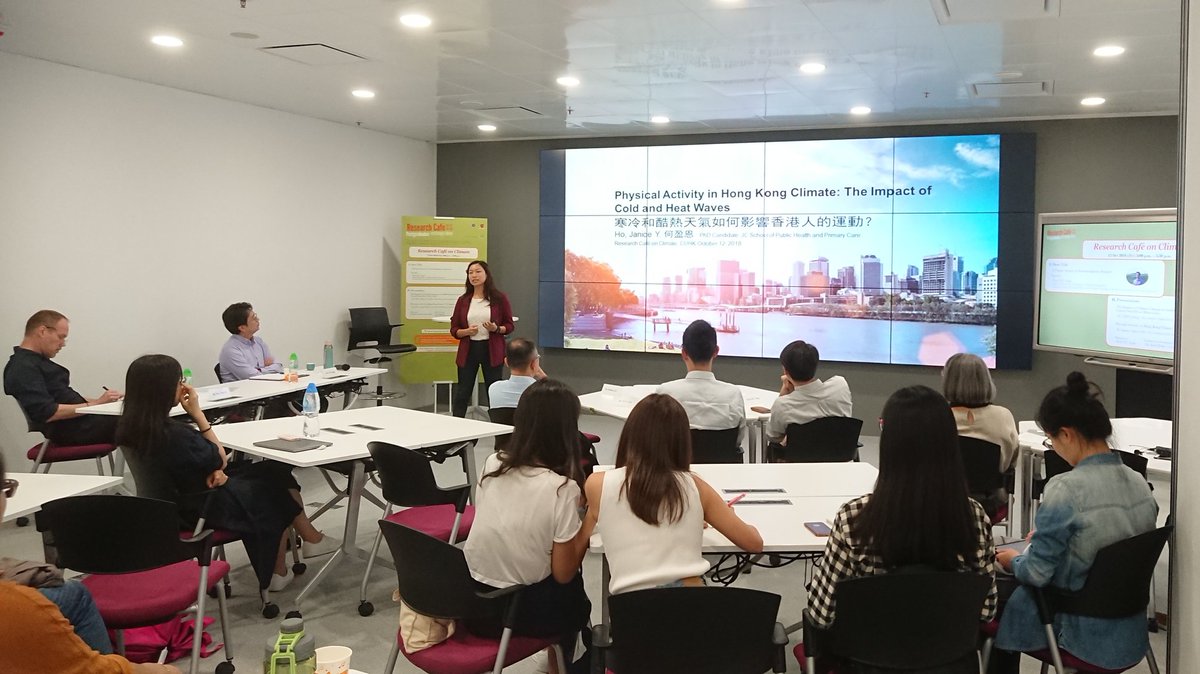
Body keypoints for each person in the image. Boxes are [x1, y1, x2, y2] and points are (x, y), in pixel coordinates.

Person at [117, 354, 339, 593]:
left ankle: (310, 539)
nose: (182, 386)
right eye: (179, 381)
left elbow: (198, 465)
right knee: (272, 490)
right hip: (199, 507)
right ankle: (278, 571)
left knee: (273, 470)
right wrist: (198, 414)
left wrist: (214, 470)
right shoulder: (175, 435)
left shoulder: (130, 429)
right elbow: (220, 457)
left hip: (172, 503)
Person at [992, 373, 1157, 672]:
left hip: (1078, 631)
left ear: (1066, 434)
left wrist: (1014, 560)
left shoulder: (1065, 489)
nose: (1053, 447)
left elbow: (1037, 573)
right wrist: (1049, 539)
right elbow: (1108, 547)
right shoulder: (1140, 485)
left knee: (992, 602)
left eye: (1051, 440)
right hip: (1130, 633)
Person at [805, 386, 996, 641]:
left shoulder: (854, 519)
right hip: (946, 660)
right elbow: (986, 610)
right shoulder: (974, 518)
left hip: (869, 661)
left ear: (889, 440)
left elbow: (822, 614)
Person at [0, 455, 182, 674]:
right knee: (74, 594)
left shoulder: (133, 433)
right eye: (6, 489)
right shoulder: (19, 607)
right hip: (187, 523)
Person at [463, 379, 590, 673]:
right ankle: (563, 663)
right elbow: (563, 572)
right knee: (576, 592)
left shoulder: (493, 463)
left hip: (471, 601)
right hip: (520, 611)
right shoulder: (561, 489)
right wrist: (590, 520)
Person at [577, 394, 762, 594]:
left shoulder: (597, 484)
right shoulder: (695, 487)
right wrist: (727, 516)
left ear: (630, 435)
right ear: (682, 441)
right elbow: (753, 543)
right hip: (690, 612)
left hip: (632, 615)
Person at [4, 310, 122, 445]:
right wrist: (95, 404)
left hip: (79, 425)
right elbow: (46, 412)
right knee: (141, 421)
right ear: (42, 331)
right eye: (60, 337)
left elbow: (63, 398)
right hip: (72, 430)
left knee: (139, 416)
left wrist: (105, 401)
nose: (63, 343)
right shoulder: (23, 367)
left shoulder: (33, 362)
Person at [656, 320, 746, 443]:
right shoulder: (733, 394)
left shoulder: (665, 394)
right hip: (722, 462)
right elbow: (737, 441)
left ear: (683, 353)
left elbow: (658, 439)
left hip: (677, 462)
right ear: (716, 352)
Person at [450, 260, 514, 417]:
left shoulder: (499, 298)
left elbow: (510, 325)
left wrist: (496, 329)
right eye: (470, 272)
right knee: (463, 392)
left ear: (486, 274)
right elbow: (454, 329)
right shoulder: (463, 300)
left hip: (491, 350)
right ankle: (455, 429)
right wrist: (465, 332)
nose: (474, 275)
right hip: (469, 350)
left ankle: (499, 428)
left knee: (493, 392)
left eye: (478, 271)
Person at [757, 340, 852, 444]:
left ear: (785, 371)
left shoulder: (783, 405)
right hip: (840, 456)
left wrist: (784, 392)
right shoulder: (840, 385)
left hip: (799, 459)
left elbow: (773, 436)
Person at [941, 352, 1019, 472]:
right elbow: (1012, 462)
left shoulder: (937, 417)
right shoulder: (1003, 416)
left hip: (946, 489)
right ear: (986, 379)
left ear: (948, 382)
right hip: (992, 489)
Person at [217, 302, 283, 382]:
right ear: (242, 328)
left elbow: (279, 366)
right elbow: (253, 377)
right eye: (254, 318)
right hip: (243, 392)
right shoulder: (230, 350)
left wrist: (259, 370)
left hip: (265, 387)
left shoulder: (258, 341)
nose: (258, 319)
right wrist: (266, 369)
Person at [487, 337, 547, 409]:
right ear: (534, 363)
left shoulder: (494, 388)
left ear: (506, 362)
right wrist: (545, 379)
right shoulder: (543, 392)